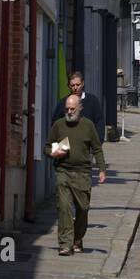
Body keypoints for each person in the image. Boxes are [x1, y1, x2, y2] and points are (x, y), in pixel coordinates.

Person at [45, 94, 106, 256]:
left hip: (83, 173)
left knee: (82, 209)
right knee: (64, 207)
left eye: (73, 109)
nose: (69, 112)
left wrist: (101, 169)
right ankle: (65, 244)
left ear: (80, 108)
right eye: (67, 109)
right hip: (63, 171)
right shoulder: (58, 125)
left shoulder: (88, 126)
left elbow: (97, 148)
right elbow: (46, 147)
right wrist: (54, 152)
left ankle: (77, 238)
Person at [52, 70, 104, 144]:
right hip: (68, 146)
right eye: (72, 85)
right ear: (68, 86)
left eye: (78, 84)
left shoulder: (92, 101)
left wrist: (98, 142)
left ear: (82, 83)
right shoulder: (63, 103)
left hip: (88, 146)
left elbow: (99, 122)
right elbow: (55, 124)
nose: (75, 87)